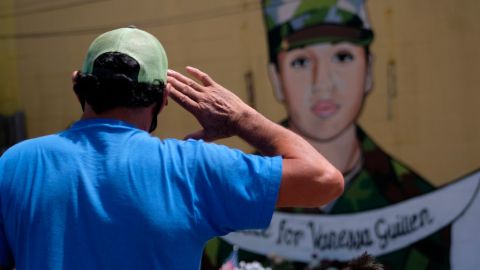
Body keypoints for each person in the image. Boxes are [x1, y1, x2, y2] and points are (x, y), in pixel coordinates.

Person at [0, 27, 344, 270]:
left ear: (79, 85)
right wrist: (241, 119)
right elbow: (324, 180)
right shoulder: (192, 171)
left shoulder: (15, 165)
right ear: (164, 99)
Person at [204, 1, 451, 269]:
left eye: (342, 57)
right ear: (276, 77)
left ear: (368, 69)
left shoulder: (419, 201)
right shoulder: (238, 192)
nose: (323, 82)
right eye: (301, 61)